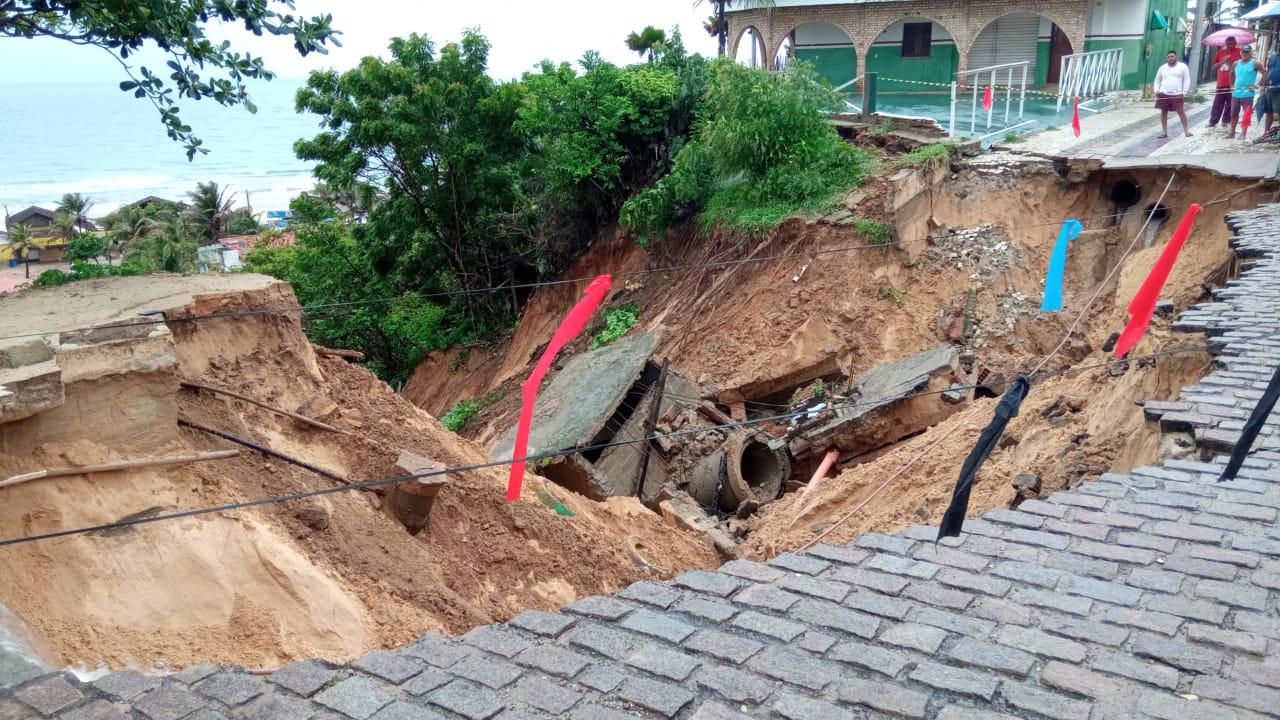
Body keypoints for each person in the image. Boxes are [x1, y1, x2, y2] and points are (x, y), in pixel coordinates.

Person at [1154, 50, 1192, 138]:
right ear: (1167, 58)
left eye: (1172, 56)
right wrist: (1156, 90)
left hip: (1177, 94)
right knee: (1163, 112)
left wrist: (1184, 92)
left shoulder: (1183, 67)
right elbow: (1157, 80)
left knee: (1181, 111)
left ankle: (1186, 131)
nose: (1171, 58)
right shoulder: (1162, 68)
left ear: (1176, 57)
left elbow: (1187, 80)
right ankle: (1164, 132)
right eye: (1169, 57)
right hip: (1163, 93)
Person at [1229, 45, 1265, 139]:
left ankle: (1243, 134)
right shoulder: (1236, 63)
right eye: (1243, 52)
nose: (1245, 54)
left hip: (1248, 94)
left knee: (1246, 114)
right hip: (1236, 93)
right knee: (1233, 114)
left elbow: (1265, 73)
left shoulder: (1255, 63)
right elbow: (1231, 74)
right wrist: (1231, 85)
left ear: (1250, 53)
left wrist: (1258, 84)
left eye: (1247, 52)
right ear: (1240, 53)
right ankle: (1232, 133)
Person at [1208, 37, 1242, 127]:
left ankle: (1226, 121)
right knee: (1217, 103)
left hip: (1233, 83)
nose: (1228, 45)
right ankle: (1213, 121)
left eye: (1231, 43)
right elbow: (1213, 67)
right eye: (1227, 43)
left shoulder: (1240, 52)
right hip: (1221, 83)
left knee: (1230, 104)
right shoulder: (1220, 52)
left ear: (1235, 43)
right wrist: (1222, 62)